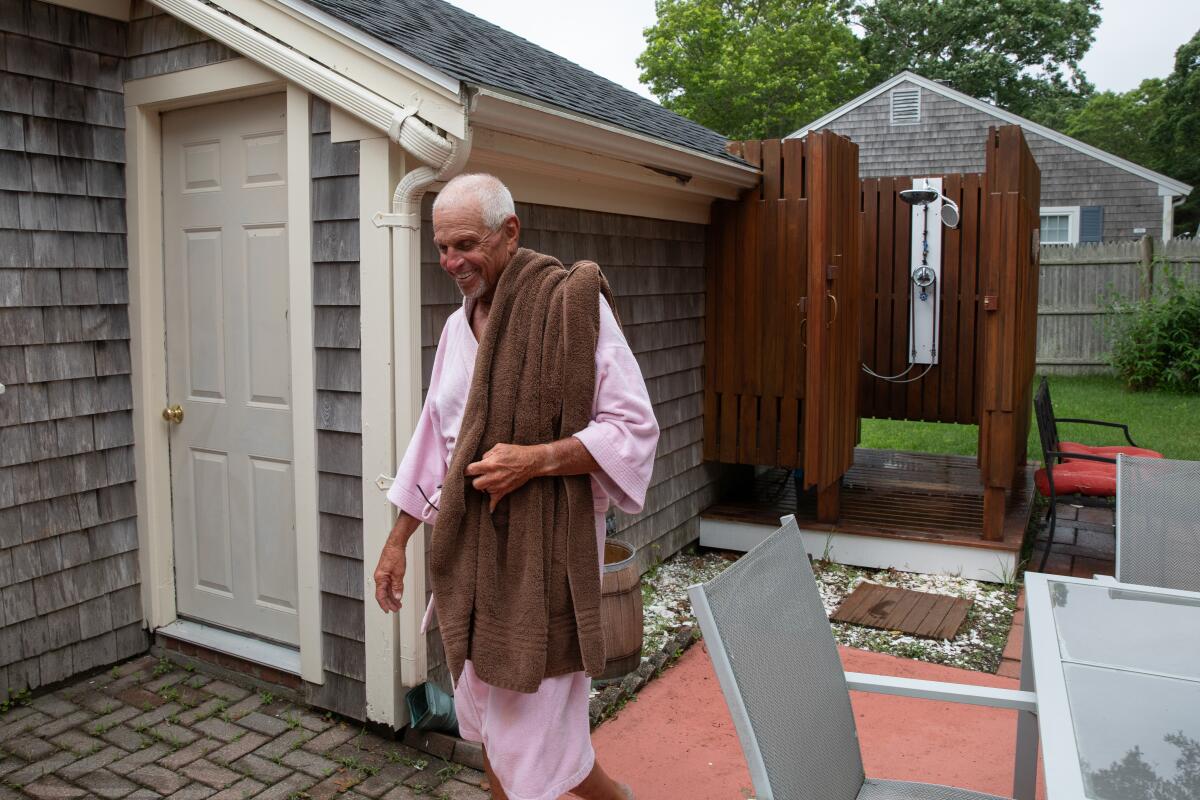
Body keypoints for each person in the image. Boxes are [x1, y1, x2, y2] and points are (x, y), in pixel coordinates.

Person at [372, 173, 658, 800]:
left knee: (529, 739)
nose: (451, 261)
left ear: (510, 233)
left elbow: (633, 429)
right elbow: (435, 441)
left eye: (465, 244)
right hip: (474, 567)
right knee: (506, 735)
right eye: (441, 247)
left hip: (544, 566)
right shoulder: (456, 330)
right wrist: (397, 542)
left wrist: (535, 460)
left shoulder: (571, 310)